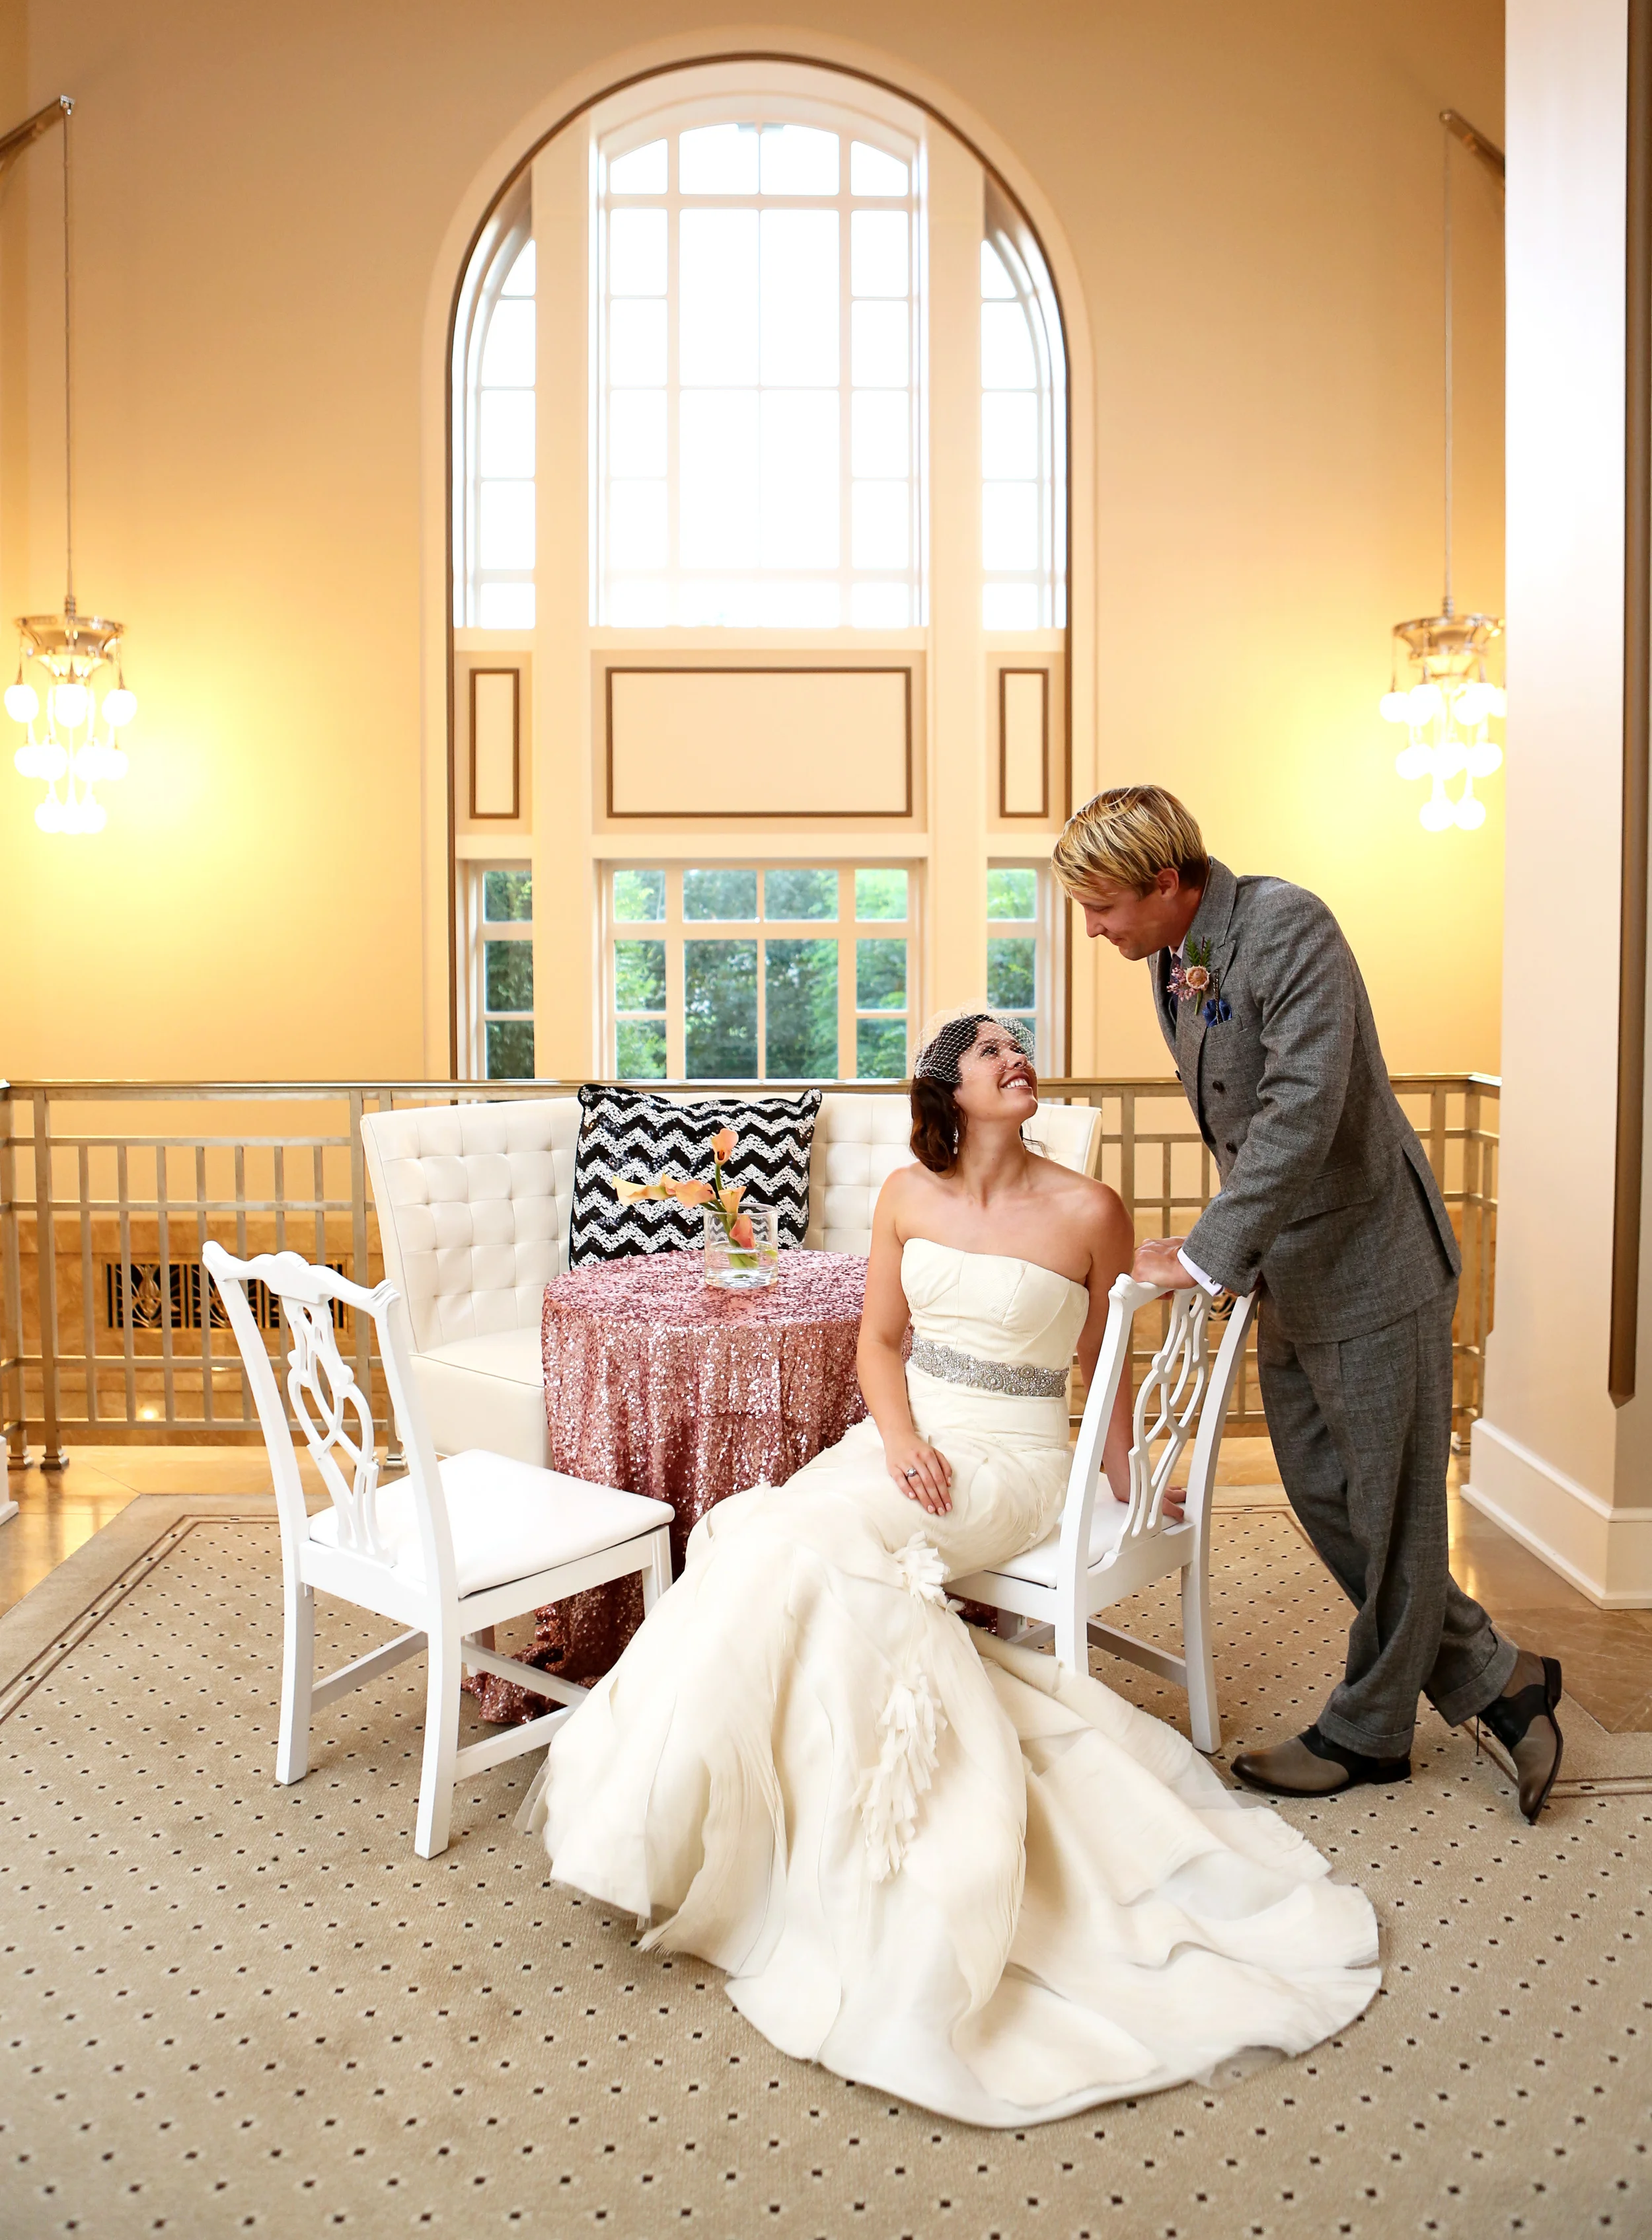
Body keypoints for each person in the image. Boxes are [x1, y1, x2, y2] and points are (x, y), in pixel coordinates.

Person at [527, 1010, 1380, 2127]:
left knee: (799, 1543)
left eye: (1020, 1045)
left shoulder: (1089, 1207)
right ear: (947, 1089)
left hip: (1014, 1460)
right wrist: (897, 1441)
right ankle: (696, 1821)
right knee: (755, 1528)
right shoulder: (905, 1195)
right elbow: (879, 1344)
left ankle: (782, 1840)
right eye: (991, 1051)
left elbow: (1102, 1368)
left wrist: (1123, 1479)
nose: (1017, 1056)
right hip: (902, 1444)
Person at [1054, 784, 1563, 1822]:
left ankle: (1369, 1732)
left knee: (1396, 1508)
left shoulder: (1289, 924)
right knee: (1329, 1499)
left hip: (1377, 1265)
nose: (1093, 927)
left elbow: (1300, 1109)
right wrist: (1226, 1249)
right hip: (1286, 1268)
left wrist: (1202, 1257)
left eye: (1102, 904)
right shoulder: (1173, 958)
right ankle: (1504, 1679)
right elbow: (1241, 1128)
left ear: (1166, 881)